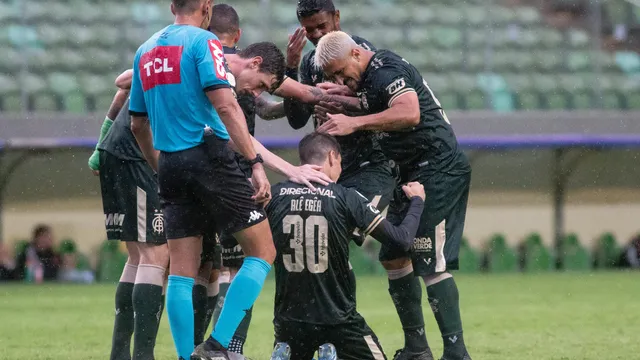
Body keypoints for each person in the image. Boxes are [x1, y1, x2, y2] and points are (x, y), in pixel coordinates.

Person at [128, 1, 331, 359]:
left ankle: (185, 355)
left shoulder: (145, 51)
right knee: (263, 251)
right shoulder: (203, 43)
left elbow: (137, 124)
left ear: (172, 5)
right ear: (205, 6)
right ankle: (218, 345)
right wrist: (254, 163)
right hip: (209, 155)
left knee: (181, 272)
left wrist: (160, 166)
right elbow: (225, 105)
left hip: (170, 162)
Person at [284, 2, 432, 359]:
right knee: (321, 244)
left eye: (321, 26)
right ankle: (326, 335)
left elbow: (390, 111)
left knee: (390, 250)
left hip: (372, 165)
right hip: (330, 168)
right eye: (309, 29)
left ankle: (415, 345)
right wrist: (291, 68)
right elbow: (294, 119)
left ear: (337, 20)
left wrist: (347, 107)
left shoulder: (359, 57)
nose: (316, 35)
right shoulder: (309, 62)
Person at [314, 31, 473, 360]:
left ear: (357, 54)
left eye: (342, 73)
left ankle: (457, 353)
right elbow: (376, 104)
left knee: (430, 262)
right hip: (412, 171)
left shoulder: (385, 70)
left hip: (438, 168)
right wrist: (342, 101)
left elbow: (409, 112)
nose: (342, 80)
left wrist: (354, 124)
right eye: (334, 77)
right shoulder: (370, 80)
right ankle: (417, 348)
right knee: (394, 255)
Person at [266, 133, 426, 360]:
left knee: (292, 343)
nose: (341, 170)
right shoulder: (347, 197)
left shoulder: (275, 195)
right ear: (332, 157)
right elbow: (401, 240)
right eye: (340, 162)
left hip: (288, 323)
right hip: (337, 322)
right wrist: (417, 202)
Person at [203, 4, 287, 355]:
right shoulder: (224, 67)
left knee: (199, 267)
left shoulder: (191, 58)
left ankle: (193, 347)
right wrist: (308, 97)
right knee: (250, 259)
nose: (256, 92)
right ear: (238, 39)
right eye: (261, 85)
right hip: (229, 171)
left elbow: (128, 82)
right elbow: (243, 119)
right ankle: (227, 346)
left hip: (186, 165)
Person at [89, 70, 169, 360]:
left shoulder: (158, 52)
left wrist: (102, 141)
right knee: (156, 256)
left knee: (138, 257)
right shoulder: (190, 52)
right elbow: (123, 82)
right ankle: (142, 356)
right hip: (136, 155)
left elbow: (121, 90)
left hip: (119, 149)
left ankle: (120, 354)